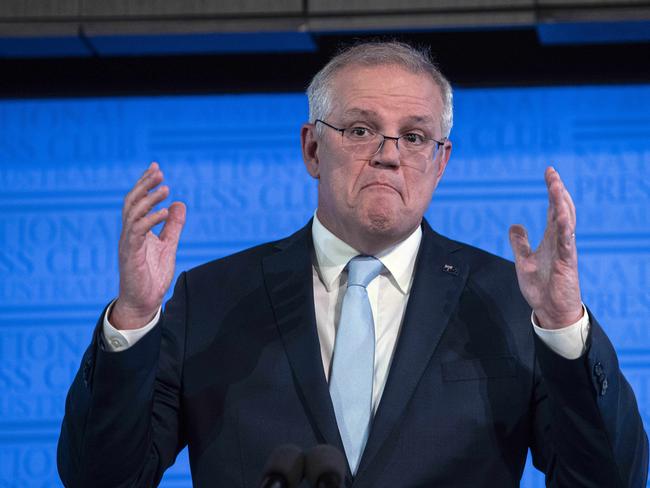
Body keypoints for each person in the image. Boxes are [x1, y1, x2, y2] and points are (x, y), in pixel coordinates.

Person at [57, 41, 648, 487]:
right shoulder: (209, 298)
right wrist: (134, 317)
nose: (389, 157)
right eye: (362, 129)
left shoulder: (510, 303)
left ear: (440, 163)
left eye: (414, 137)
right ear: (313, 148)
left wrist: (565, 323)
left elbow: (610, 478)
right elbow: (100, 477)